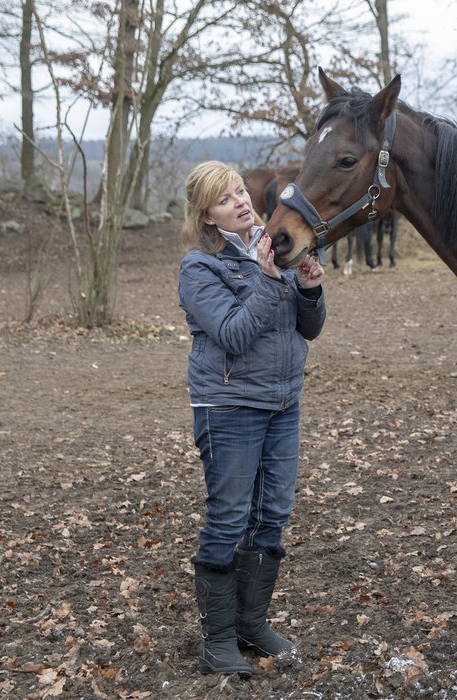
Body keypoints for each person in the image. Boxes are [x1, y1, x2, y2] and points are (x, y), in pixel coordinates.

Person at [178, 160, 326, 676]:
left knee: (272, 515)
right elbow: (235, 334)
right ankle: (218, 640)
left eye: (240, 190)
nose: (241, 201)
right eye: (225, 199)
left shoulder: (276, 244)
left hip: (283, 403)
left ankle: (251, 623)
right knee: (228, 518)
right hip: (230, 407)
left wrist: (308, 287)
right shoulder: (199, 268)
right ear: (208, 217)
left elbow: (308, 329)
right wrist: (267, 280)